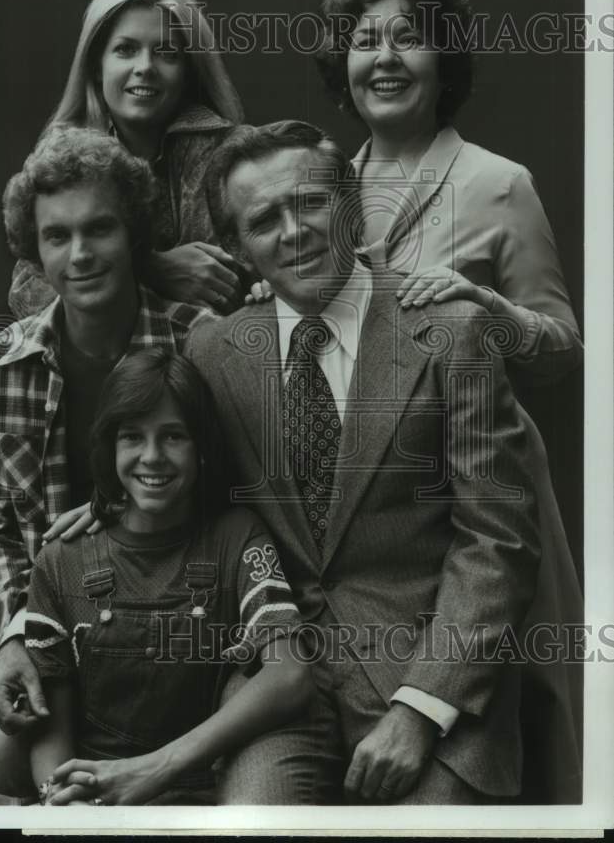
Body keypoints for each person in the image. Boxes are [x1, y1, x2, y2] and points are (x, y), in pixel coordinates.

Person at [185, 119, 541, 804]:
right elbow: (189, 502)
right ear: (238, 248)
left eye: (310, 203)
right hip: (283, 689)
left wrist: (420, 708)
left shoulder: (449, 333)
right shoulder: (213, 355)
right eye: (264, 220)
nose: (293, 231)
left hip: (434, 686)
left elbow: (499, 539)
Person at [314, 0, 583, 802]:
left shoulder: (498, 184)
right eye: (365, 39)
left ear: (444, 60)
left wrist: (486, 309)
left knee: (512, 732)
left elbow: (565, 356)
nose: (384, 58)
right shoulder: (320, 190)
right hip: (368, 515)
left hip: (482, 507)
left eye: (408, 38)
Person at [0, 125, 211, 804]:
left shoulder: (200, 345)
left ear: (132, 233)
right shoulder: (4, 361)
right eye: (56, 236)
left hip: (169, 647)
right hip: (44, 637)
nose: (79, 254)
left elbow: (236, 502)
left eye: (98, 229)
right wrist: (18, 632)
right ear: (33, 250)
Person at [0, 349, 310, 805]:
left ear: (203, 447)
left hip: (202, 786)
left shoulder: (238, 536)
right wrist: (64, 801)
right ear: (109, 445)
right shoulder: (62, 560)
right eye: (132, 437)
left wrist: (155, 770)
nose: (152, 457)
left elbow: (290, 673)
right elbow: (53, 718)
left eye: (174, 437)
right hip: (97, 795)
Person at [9, 0, 249, 321]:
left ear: (189, 70)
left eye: (166, 53)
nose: (145, 67)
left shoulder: (232, 154)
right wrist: (150, 268)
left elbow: (258, 280)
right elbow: (28, 297)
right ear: (96, 66)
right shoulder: (61, 159)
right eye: (125, 49)